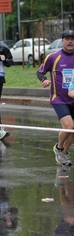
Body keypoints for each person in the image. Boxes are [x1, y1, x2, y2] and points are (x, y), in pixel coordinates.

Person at [43, 29, 74, 166]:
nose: (70, 41)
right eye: (67, 38)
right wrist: (43, 80)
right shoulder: (53, 57)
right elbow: (40, 72)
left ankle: (64, 153)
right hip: (59, 98)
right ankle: (59, 147)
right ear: (62, 41)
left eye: (72, 38)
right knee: (69, 126)